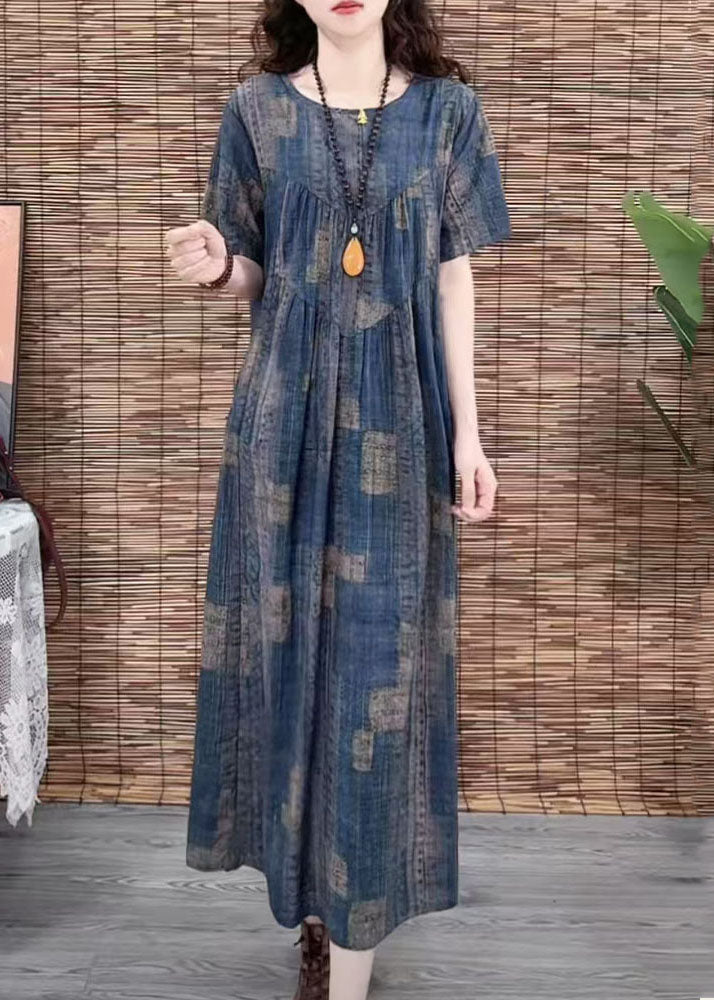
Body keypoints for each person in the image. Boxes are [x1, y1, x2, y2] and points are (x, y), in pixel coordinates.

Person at [165, 1, 511, 997]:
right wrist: (220, 266)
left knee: (374, 680)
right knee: (287, 671)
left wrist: (470, 432)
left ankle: (347, 956)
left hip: (401, 431)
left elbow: (452, 278)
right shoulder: (256, 112)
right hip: (282, 426)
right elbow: (251, 267)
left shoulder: (448, 114)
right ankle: (317, 911)